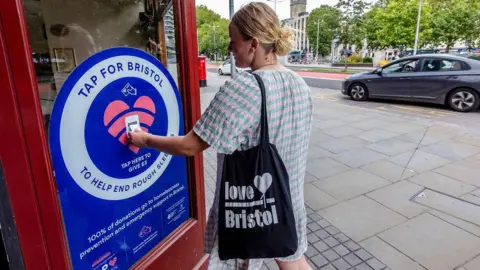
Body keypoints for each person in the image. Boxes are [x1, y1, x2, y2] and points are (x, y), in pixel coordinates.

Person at [129, 2, 313, 269]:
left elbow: (191, 145)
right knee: (292, 260)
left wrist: (145, 139)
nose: (229, 48)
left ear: (253, 44)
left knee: (238, 261)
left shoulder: (245, 87)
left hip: (250, 208)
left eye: (233, 41)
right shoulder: (300, 84)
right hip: (288, 199)